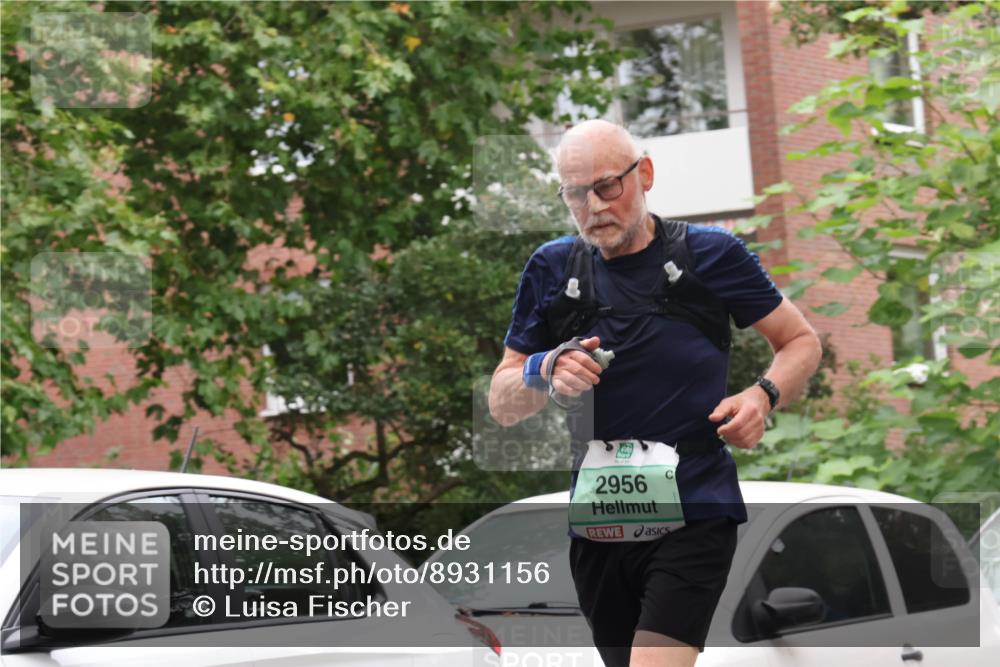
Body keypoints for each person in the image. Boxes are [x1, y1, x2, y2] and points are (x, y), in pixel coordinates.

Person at [488, 120, 822, 667]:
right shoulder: (551, 268)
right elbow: (502, 402)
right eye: (575, 194)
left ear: (643, 174)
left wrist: (762, 395)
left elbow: (801, 341)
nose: (593, 206)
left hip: (695, 507)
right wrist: (545, 369)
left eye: (606, 187)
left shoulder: (710, 255)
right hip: (599, 518)